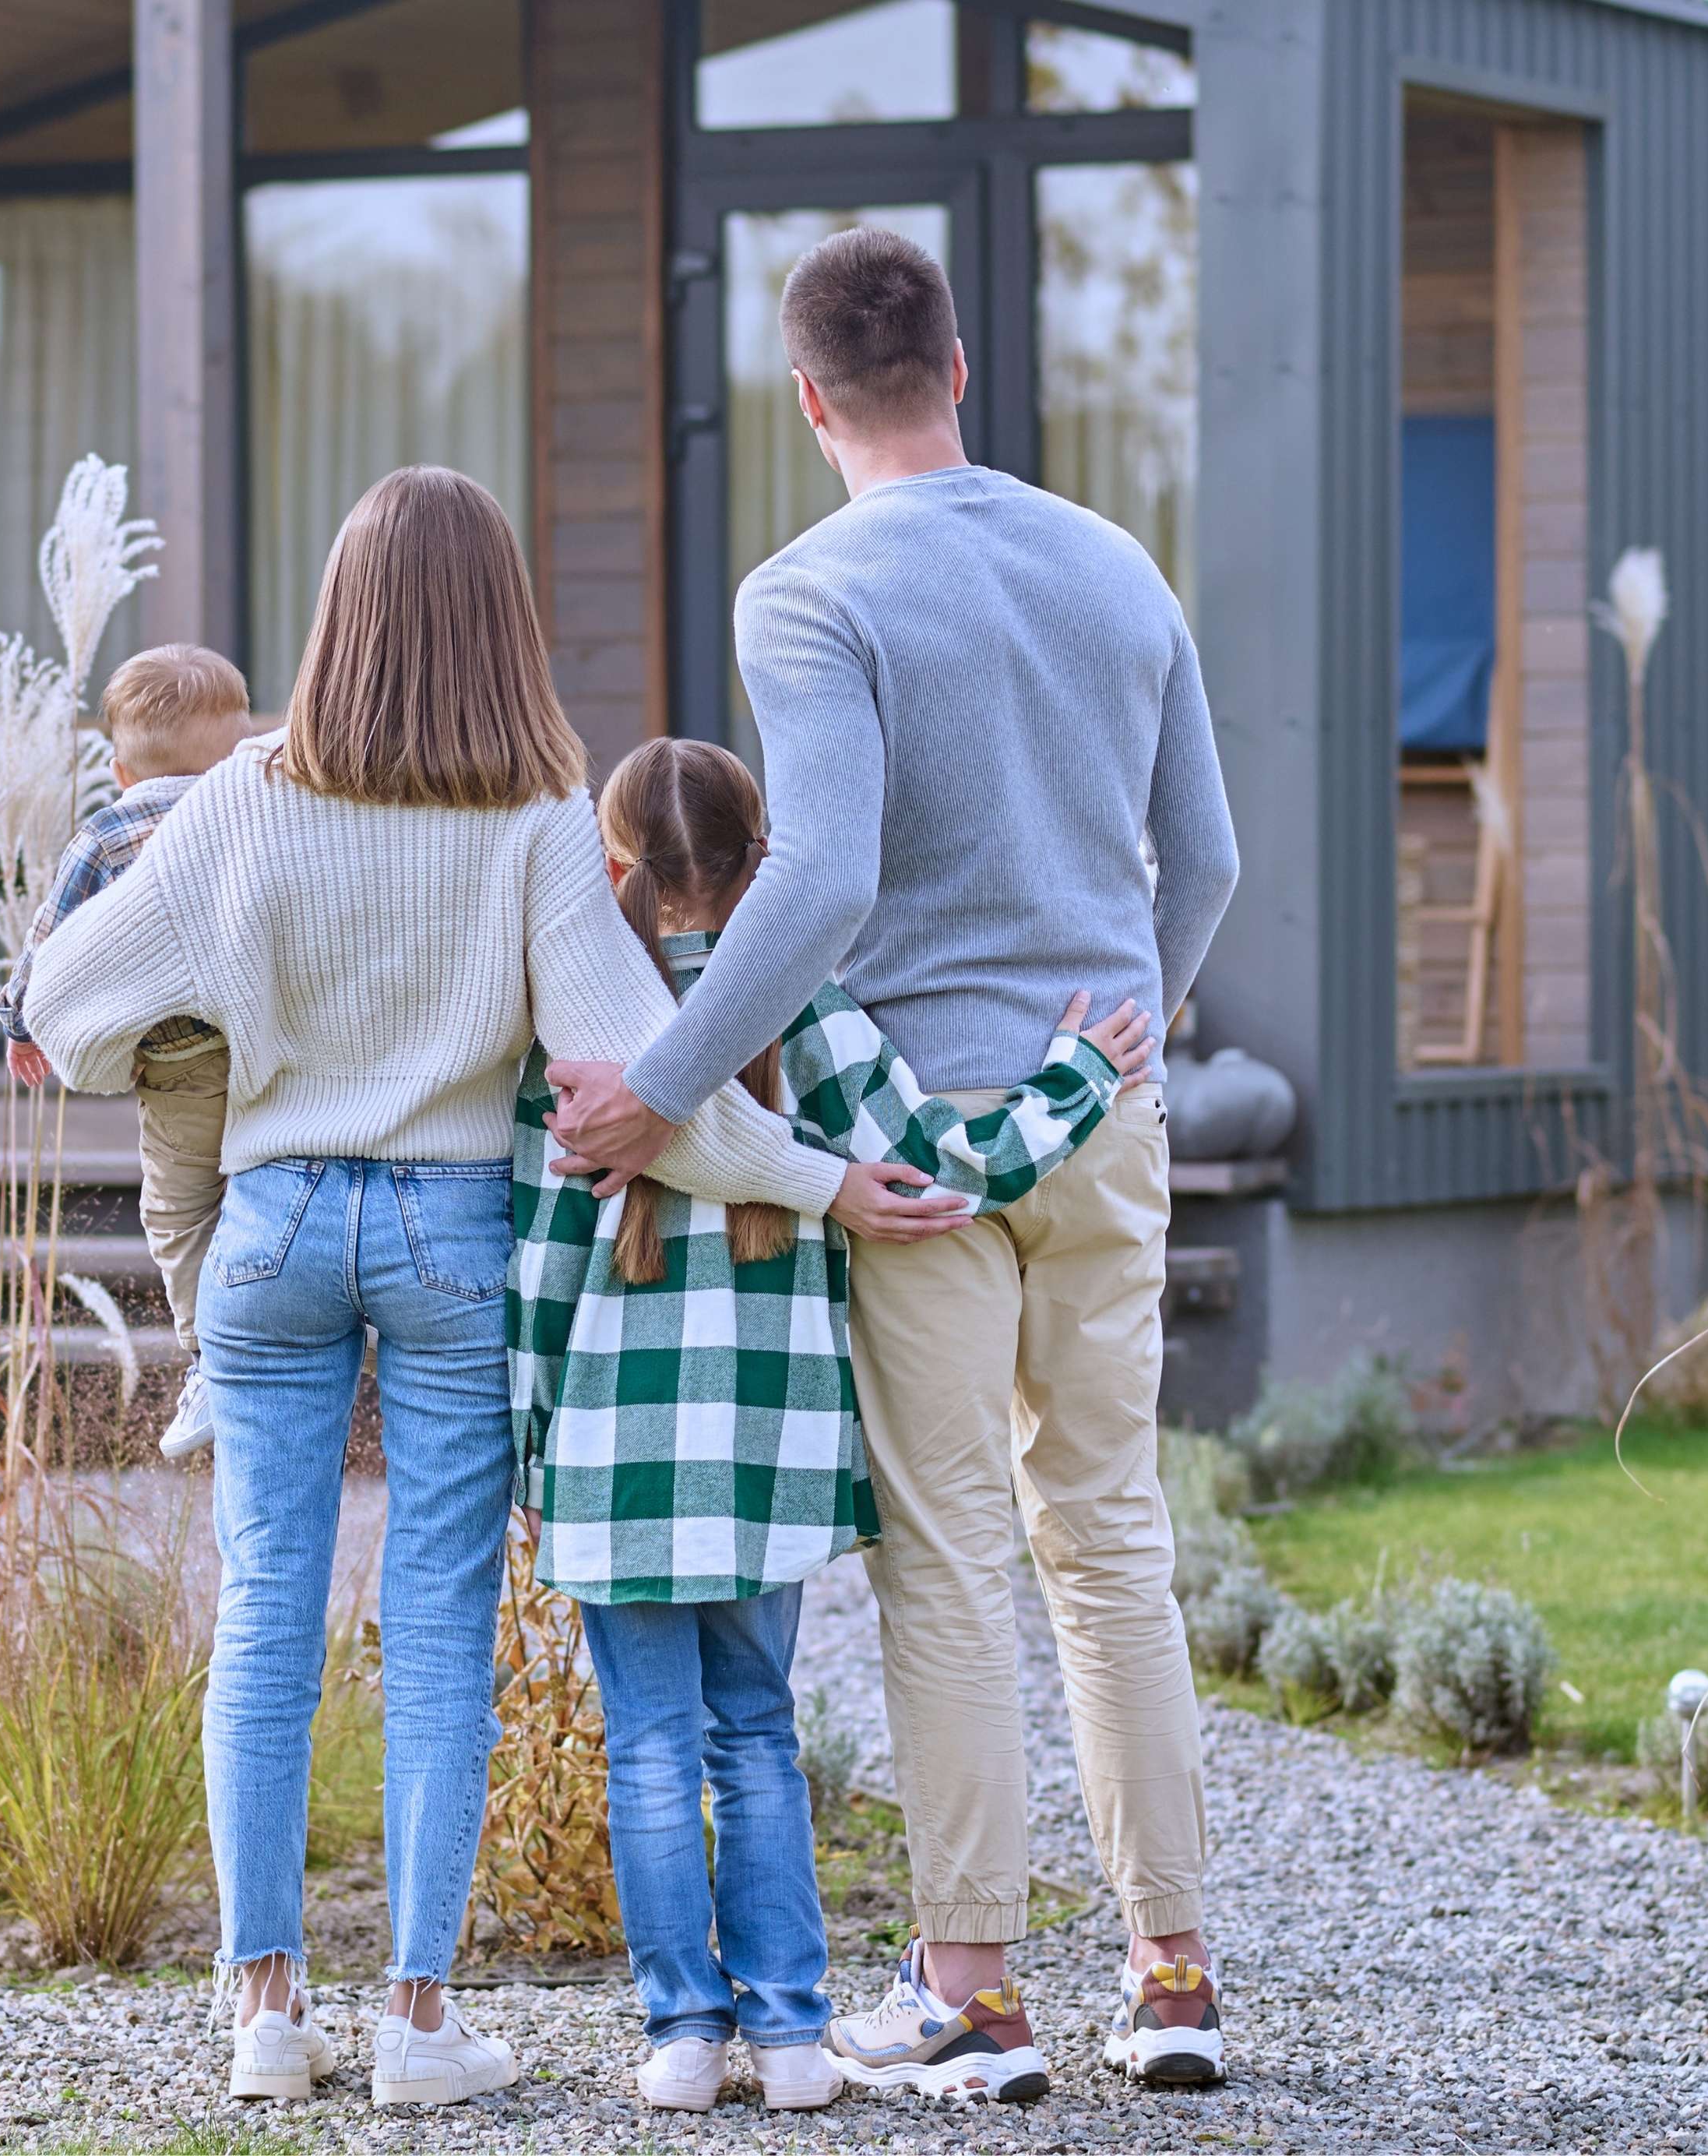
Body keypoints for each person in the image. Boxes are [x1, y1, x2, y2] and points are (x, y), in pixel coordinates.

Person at [19, 467, 970, 2109]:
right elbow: (643, 1088)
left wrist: (199, 1044)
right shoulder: (538, 819)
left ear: (338, 617)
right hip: (455, 1236)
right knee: (441, 1625)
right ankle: (415, 2022)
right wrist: (826, 1180)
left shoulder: (240, 796)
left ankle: (263, 2011)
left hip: (269, 1222)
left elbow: (61, 1001)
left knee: (264, 1610)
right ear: (501, 625)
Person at [544, 227, 1244, 2100]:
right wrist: (1121, 1053)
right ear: (952, 364)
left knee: (946, 1562)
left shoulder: (806, 590)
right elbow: (1213, 858)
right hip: (1100, 1112)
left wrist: (658, 1083)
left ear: (801, 399)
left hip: (914, 1147)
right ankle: (1169, 1974)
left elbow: (825, 875)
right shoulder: (1115, 564)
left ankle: (975, 1994)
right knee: (1109, 1539)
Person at [510, 737, 1149, 2115]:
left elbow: (540, 1260)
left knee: (650, 1748)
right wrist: (1078, 1074)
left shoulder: (578, 1029)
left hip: (615, 1461)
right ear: (768, 869)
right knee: (756, 1732)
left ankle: (685, 2035)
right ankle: (796, 2034)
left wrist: (533, 1444)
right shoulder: (810, 1010)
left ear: (611, 867)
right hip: (773, 1451)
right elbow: (948, 1166)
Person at [0, 643, 256, 1460]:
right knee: (259, 1193)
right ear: (241, 745)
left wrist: (19, 1020)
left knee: (180, 1211)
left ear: (119, 769)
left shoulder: (106, 835)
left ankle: (213, 1356)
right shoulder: (259, 811)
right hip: (273, 1046)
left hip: (180, 1065)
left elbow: (48, 942)